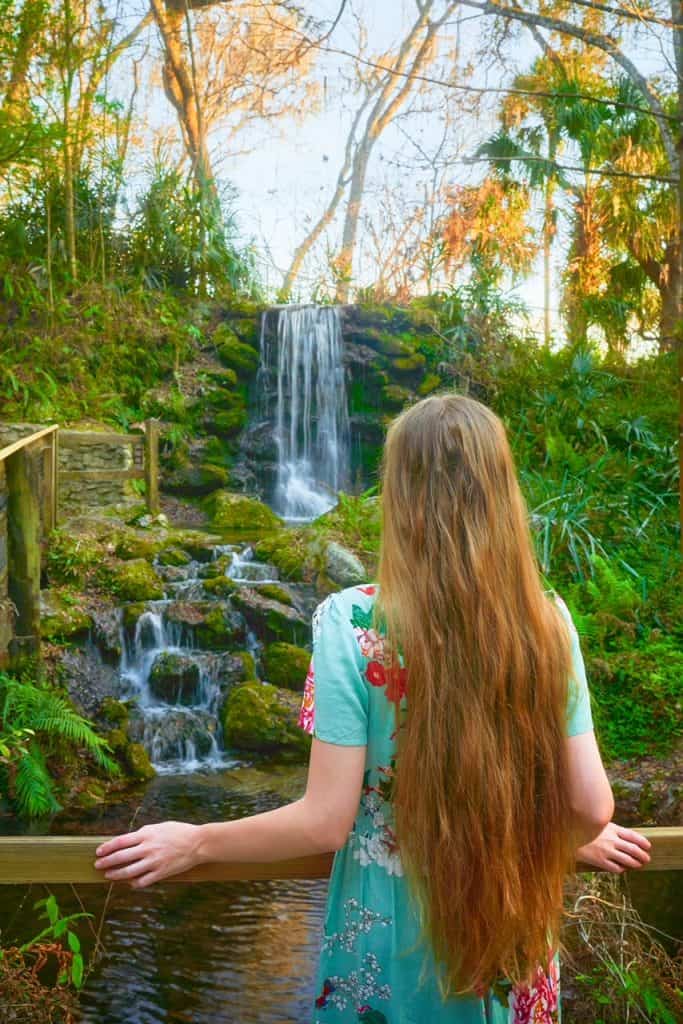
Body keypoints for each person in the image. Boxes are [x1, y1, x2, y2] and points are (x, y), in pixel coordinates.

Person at [94, 394, 651, 1022]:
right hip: (510, 944)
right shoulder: (548, 621)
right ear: (502, 493)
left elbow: (324, 823)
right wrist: (553, 840)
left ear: (400, 496)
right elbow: (590, 807)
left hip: (389, 947)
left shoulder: (351, 622)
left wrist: (197, 841)